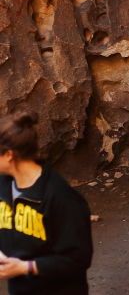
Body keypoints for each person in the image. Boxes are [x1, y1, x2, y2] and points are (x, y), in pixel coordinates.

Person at [0, 112, 93, 294]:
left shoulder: (61, 197)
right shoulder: (3, 185)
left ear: (9, 155)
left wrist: (27, 268)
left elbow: (78, 259)